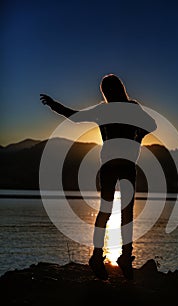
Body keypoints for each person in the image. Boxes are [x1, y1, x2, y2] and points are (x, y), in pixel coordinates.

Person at [40, 73, 156, 280]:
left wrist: (53, 105)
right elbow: (151, 125)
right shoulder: (128, 107)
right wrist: (138, 138)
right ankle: (113, 257)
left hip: (117, 165)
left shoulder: (112, 109)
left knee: (110, 213)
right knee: (122, 213)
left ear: (109, 91)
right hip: (120, 166)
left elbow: (74, 117)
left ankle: (108, 257)